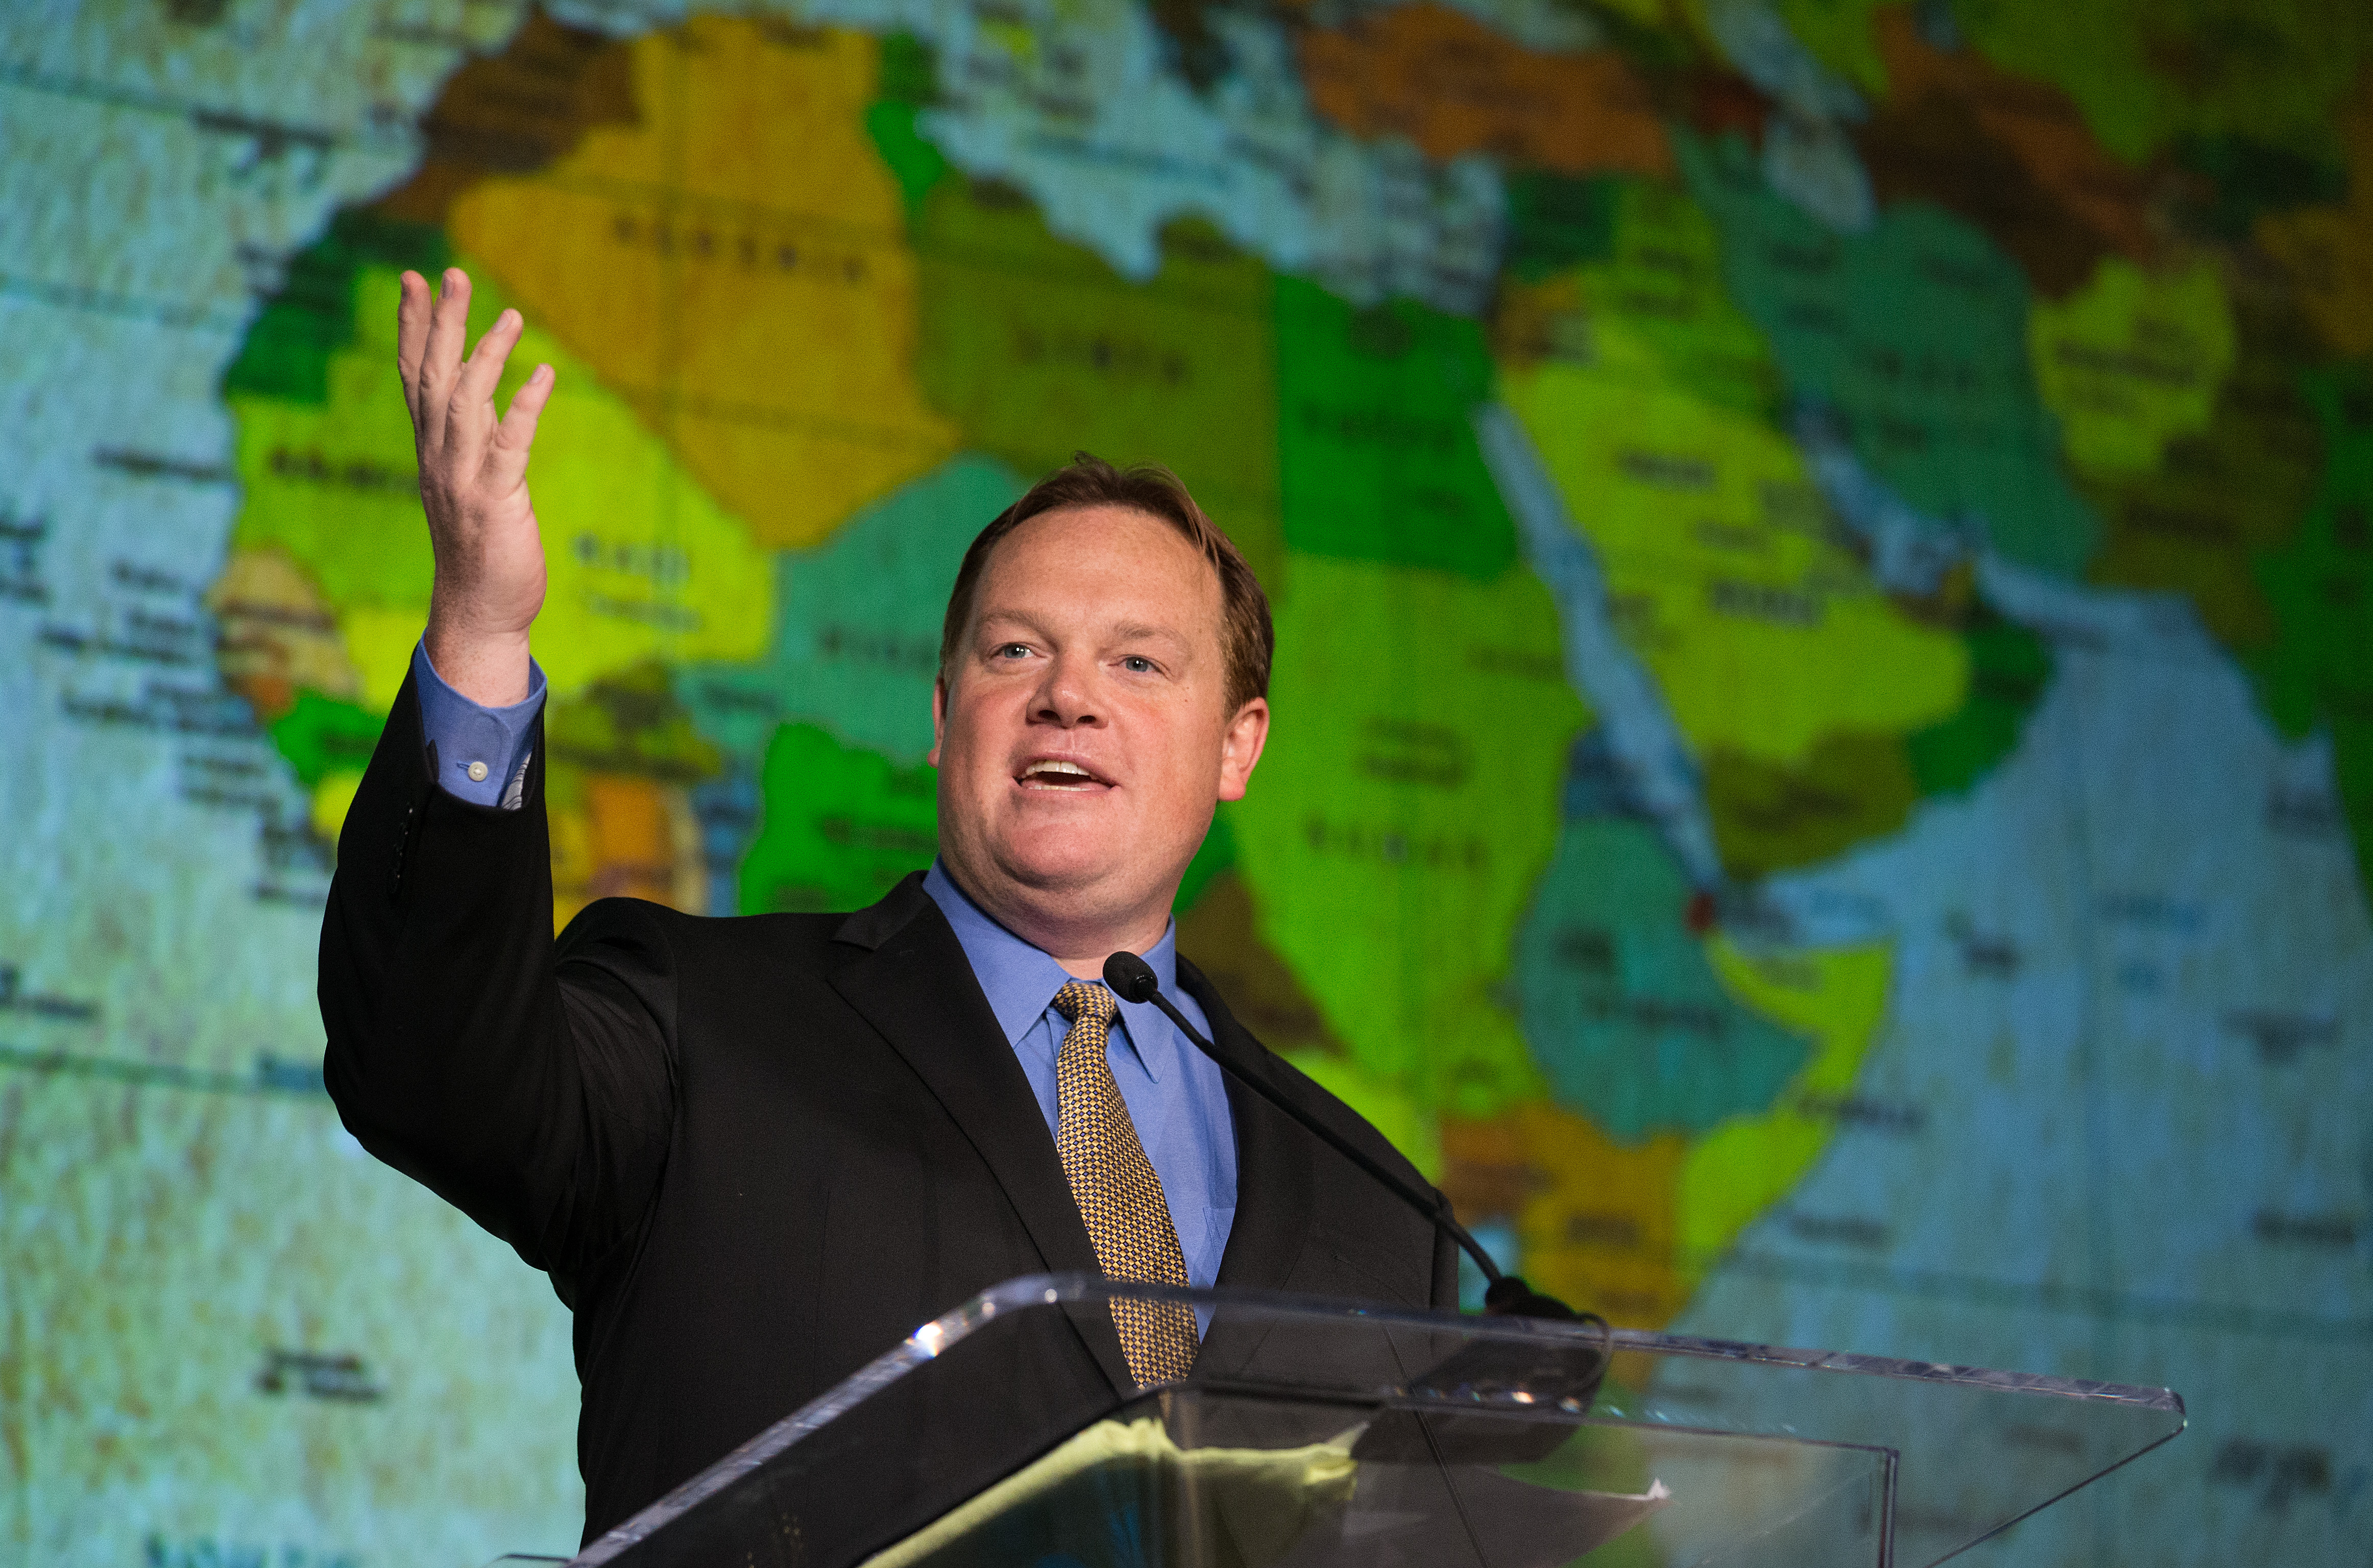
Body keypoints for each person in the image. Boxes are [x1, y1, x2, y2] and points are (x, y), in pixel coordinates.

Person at [319, 268, 1455, 1542]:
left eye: (1137, 662)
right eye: (1015, 650)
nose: (1067, 696)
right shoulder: (700, 1024)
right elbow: (431, 1071)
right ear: (943, 715)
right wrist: (480, 631)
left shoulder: (1380, 1216)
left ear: (1238, 748)